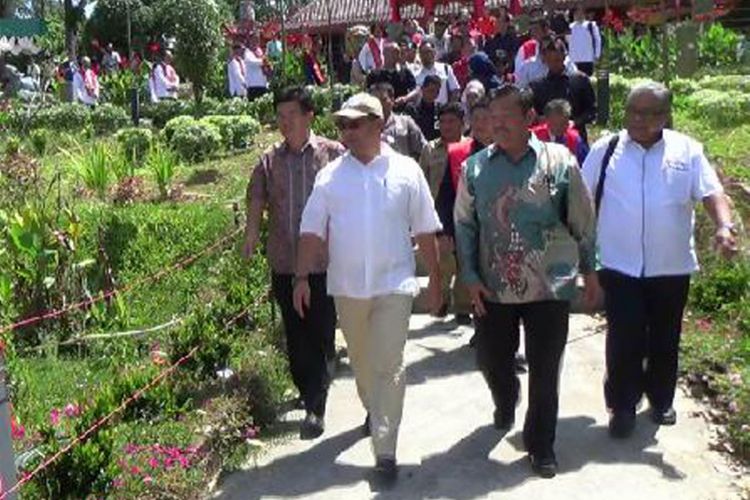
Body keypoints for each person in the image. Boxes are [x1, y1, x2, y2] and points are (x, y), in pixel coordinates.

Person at [293, 93, 442, 484]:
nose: (346, 132)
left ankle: (386, 449)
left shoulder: (407, 171)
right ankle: (373, 409)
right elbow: (310, 231)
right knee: (361, 363)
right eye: (342, 125)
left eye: (355, 124)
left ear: (378, 124)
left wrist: (439, 281)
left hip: (395, 284)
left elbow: (426, 229)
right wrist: (302, 277)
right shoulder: (330, 178)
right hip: (348, 288)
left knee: (389, 365)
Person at [454, 85, 599, 478]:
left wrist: (590, 272)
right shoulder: (476, 167)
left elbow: (582, 221)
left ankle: (541, 444)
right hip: (493, 285)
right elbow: (465, 225)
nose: (496, 123)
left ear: (528, 117)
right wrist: (469, 276)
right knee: (491, 358)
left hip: (551, 284)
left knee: (546, 368)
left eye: (506, 115)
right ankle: (506, 397)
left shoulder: (559, 160)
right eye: (491, 116)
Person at [581, 82, 737, 439]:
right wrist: (580, 254)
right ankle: (622, 405)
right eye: (633, 111)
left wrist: (724, 227)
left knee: (665, 337)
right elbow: (582, 198)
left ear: (665, 116)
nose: (638, 119)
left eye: (648, 113)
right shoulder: (607, 150)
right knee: (624, 337)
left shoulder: (687, 150)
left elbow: (712, 193)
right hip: (619, 265)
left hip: (672, 265)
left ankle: (661, 399)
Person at [243, 86, 344, 440]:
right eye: (280, 116)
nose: (285, 122)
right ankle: (312, 400)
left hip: (324, 263)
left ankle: (319, 388)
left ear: (308, 116)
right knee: (296, 335)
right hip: (285, 262)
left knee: (321, 329)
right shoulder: (270, 160)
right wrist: (251, 236)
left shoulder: (333, 154)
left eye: (292, 115)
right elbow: (256, 198)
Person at [435, 97, 496, 326]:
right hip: (468, 231)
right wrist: (445, 231)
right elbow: (445, 197)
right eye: (476, 118)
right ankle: (482, 330)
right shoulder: (459, 153)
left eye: (486, 118)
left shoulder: (508, 151)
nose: (480, 124)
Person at [530, 37, 596, 143]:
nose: (554, 64)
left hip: (575, 139)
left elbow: (592, 111)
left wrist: (574, 123)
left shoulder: (580, 81)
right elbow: (532, 114)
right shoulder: (537, 86)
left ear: (564, 57)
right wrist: (539, 119)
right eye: (550, 61)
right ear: (544, 60)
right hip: (547, 142)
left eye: (557, 60)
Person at [370, 81, 427, 160]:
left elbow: (424, 150)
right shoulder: (364, 127)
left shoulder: (406, 123)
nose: (379, 104)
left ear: (392, 100)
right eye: (374, 101)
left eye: (383, 100)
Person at [532, 99, 589, 165]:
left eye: (563, 124)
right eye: (555, 124)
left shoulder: (574, 139)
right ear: (547, 120)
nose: (559, 128)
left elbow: (586, 164)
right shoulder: (534, 136)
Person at [408, 41, 461, 106]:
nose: (426, 55)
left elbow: (455, 90)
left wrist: (450, 108)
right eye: (423, 53)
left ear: (434, 52)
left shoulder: (445, 68)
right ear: (420, 55)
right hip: (423, 112)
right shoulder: (415, 75)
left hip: (442, 110)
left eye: (429, 52)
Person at [405, 74, 441, 141]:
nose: (434, 94)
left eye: (437, 92)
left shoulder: (440, 110)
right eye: (431, 90)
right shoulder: (412, 109)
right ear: (422, 89)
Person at [568, 6, 601, 76]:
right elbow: (568, 42)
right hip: (574, 59)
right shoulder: (570, 27)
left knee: (587, 80)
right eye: (576, 13)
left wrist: (597, 55)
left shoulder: (591, 25)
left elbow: (598, 40)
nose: (578, 15)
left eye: (580, 13)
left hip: (587, 59)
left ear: (584, 14)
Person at [244, 33, 270, 99]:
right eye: (253, 40)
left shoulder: (259, 51)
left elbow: (265, 61)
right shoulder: (247, 52)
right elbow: (252, 62)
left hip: (262, 84)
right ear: (249, 40)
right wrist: (263, 61)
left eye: (257, 40)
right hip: (253, 85)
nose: (255, 42)